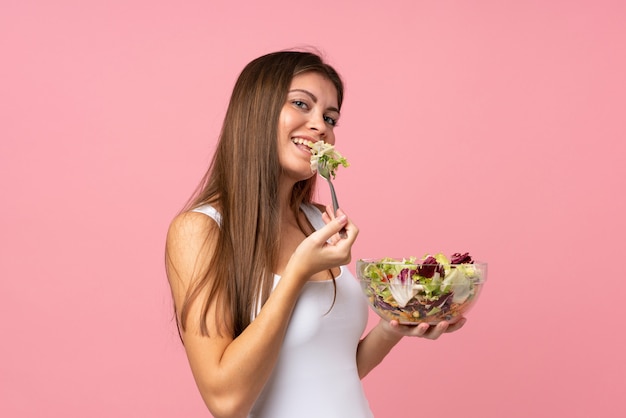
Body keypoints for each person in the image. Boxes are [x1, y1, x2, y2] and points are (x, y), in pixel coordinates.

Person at [165, 49, 466, 418]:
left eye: (330, 117)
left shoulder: (317, 221)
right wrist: (297, 273)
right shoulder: (199, 230)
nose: (320, 126)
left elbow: (333, 372)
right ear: (255, 110)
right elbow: (226, 401)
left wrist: (394, 326)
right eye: (300, 104)